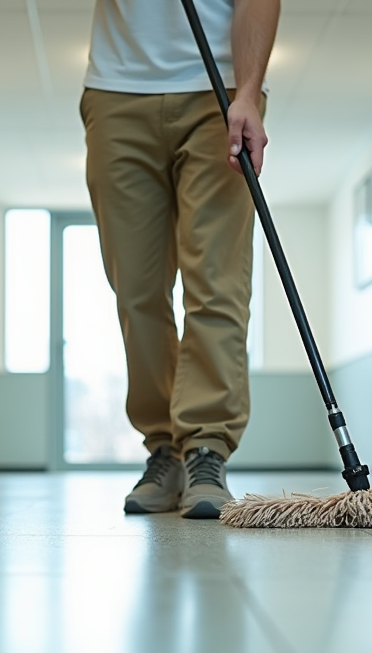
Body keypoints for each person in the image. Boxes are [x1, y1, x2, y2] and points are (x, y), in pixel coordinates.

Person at [81, 0, 279, 519]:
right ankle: (164, 449)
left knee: (216, 281)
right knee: (137, 289)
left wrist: (250, 92)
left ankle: (206, 447)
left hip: (218, 90)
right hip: (116, 89)